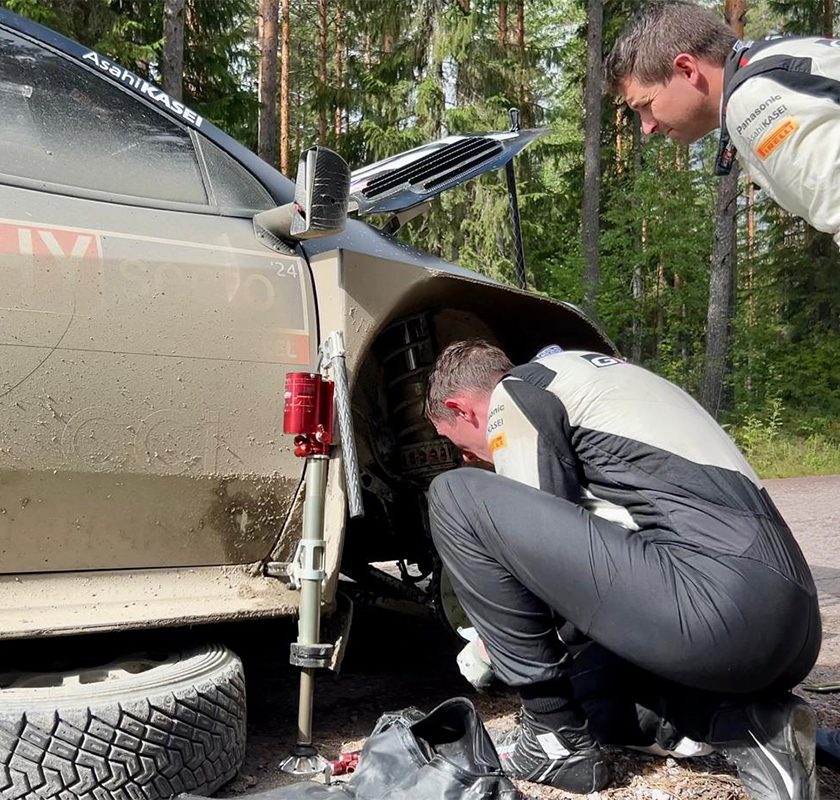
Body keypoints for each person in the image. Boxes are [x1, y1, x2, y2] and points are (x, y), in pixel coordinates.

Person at [424, 339, 821, 799]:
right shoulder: (602, 378)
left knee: (455, 497)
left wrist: (494, 647)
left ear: (461, 409)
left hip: (719, 609)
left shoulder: (519, 391)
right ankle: (749, 726)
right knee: (592, 695)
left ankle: (553, 740)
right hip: (791, 631)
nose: (470, 456)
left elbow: (544, 579)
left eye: (459, 443)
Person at [604, 0, 840, 249]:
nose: (647, 127)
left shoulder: (752, 101)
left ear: (687, 69)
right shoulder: (776, 57)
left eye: (645, 105)